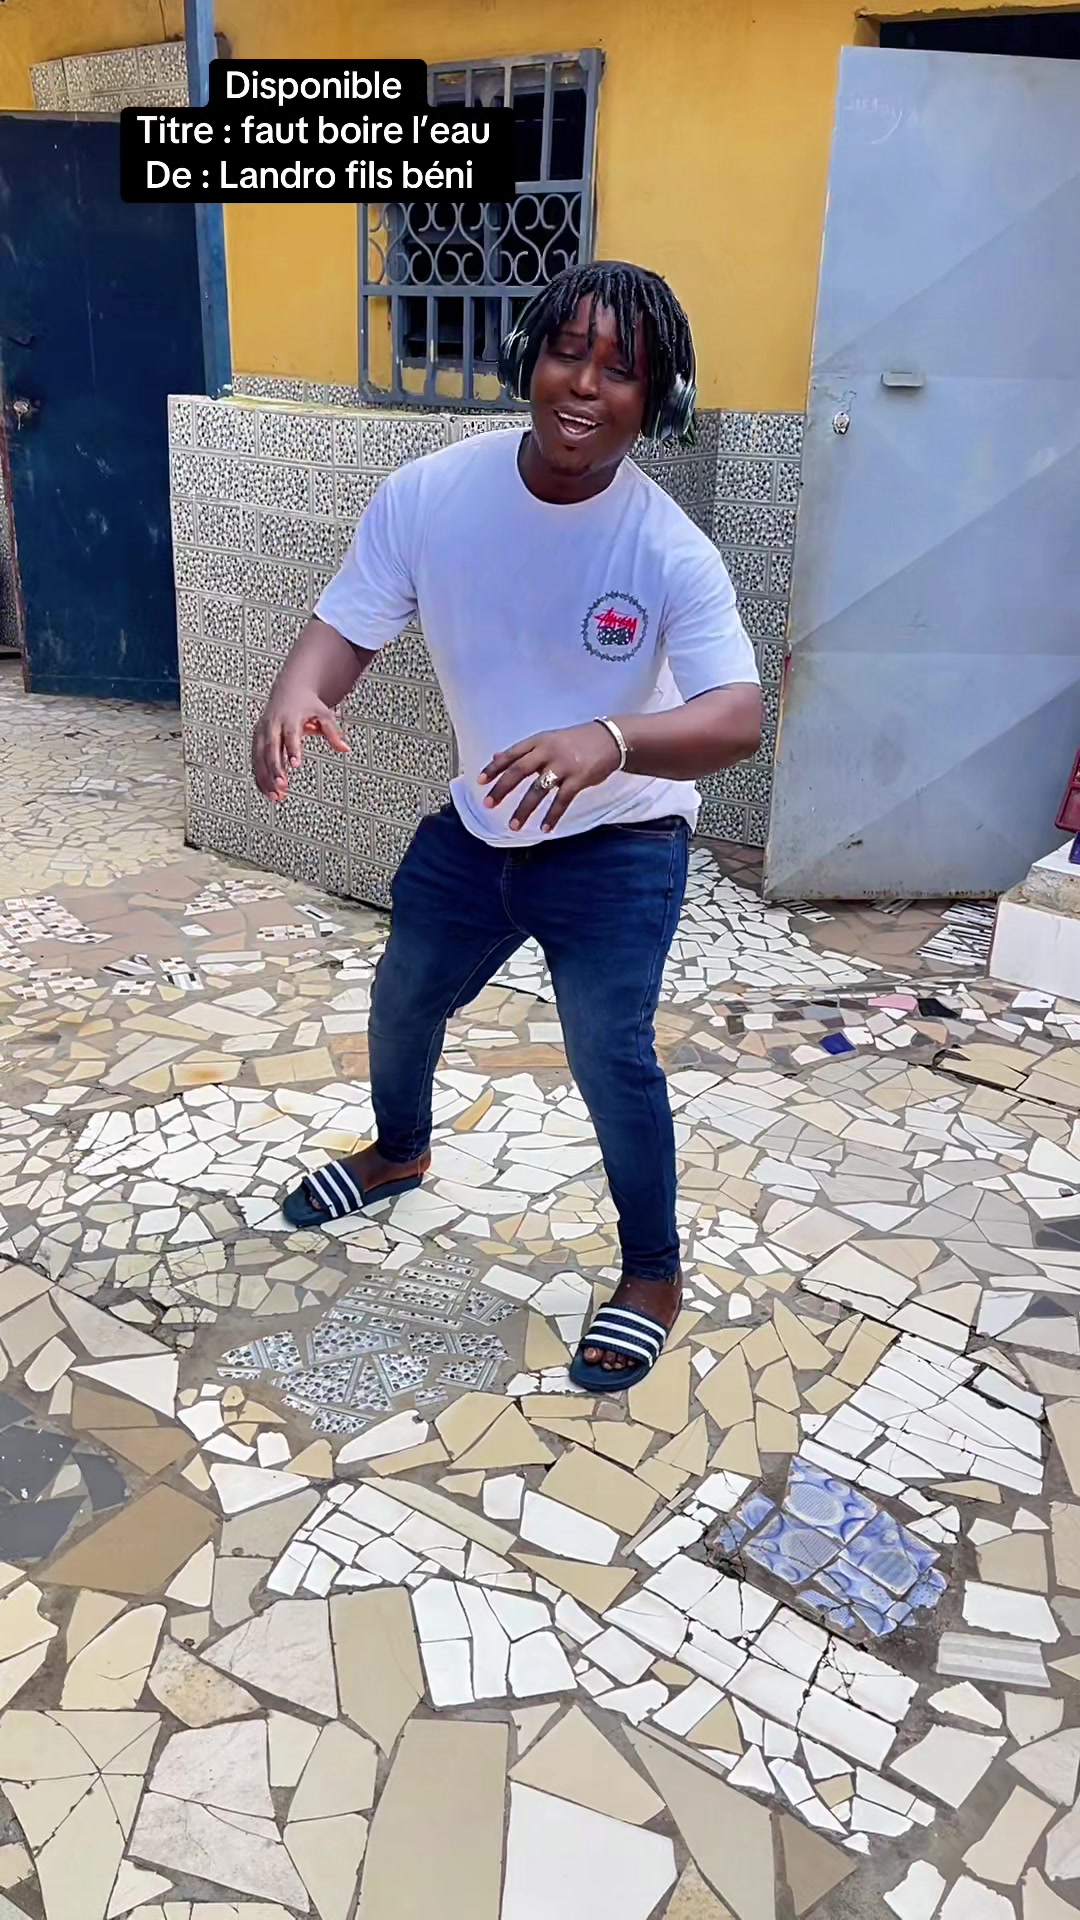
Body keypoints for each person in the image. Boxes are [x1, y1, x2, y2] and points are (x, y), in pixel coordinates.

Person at [252, 259, 762, 1392]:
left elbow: (737, 716)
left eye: (621, 370)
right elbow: (346, 625)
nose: (585, 385)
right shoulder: (432, 494)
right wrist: (297, 691)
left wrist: (611, 739)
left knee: (606, 1051)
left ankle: (653, 1275)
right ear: (528, 359)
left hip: (620, 843)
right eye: (567, 353)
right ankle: (398, 1153)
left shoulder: (669, 547)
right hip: (480, 826)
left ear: (658, 397)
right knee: (403, 997)